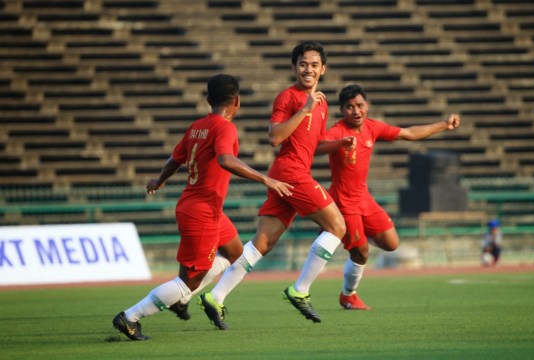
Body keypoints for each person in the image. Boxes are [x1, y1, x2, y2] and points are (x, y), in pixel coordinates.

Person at [111, 74, 293, 341]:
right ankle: (130, 317)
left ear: (208, 100)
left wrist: (159, 181)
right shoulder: (225, 127)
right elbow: (226, 160)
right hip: (201, 212)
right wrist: (266, 178)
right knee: (187, 282)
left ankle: (184, 298)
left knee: (235, 252)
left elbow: (175, 160)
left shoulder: (196, 127)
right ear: (238, 102)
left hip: (205, 209)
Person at [199, 41, 347, 329]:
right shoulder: (288, 98)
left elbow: (312, 145)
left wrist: (339, 143)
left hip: (289, 174)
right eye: (303, 63)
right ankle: (300, 290)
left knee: (261, 245)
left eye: (315, 65)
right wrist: (304, 109)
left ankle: (215, 296)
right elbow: (275, 137)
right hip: (291, 172)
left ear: (323, 70)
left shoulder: (322, 103)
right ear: (294, 67)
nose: (309, 69)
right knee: (338, 227)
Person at [315, 84, 461, 310]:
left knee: (392, 243)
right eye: (350, 107)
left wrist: (444, 124)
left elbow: (409, 133)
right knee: (361, 251)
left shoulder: (372, 127)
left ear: (367, 106)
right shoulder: (338, 130)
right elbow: (319, 146)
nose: (356, 111)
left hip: (365, 199)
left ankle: (352, 236)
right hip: (344, 203)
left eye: (360, 106)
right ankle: (348, 295)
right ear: (342, 110)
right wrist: (340, 143)